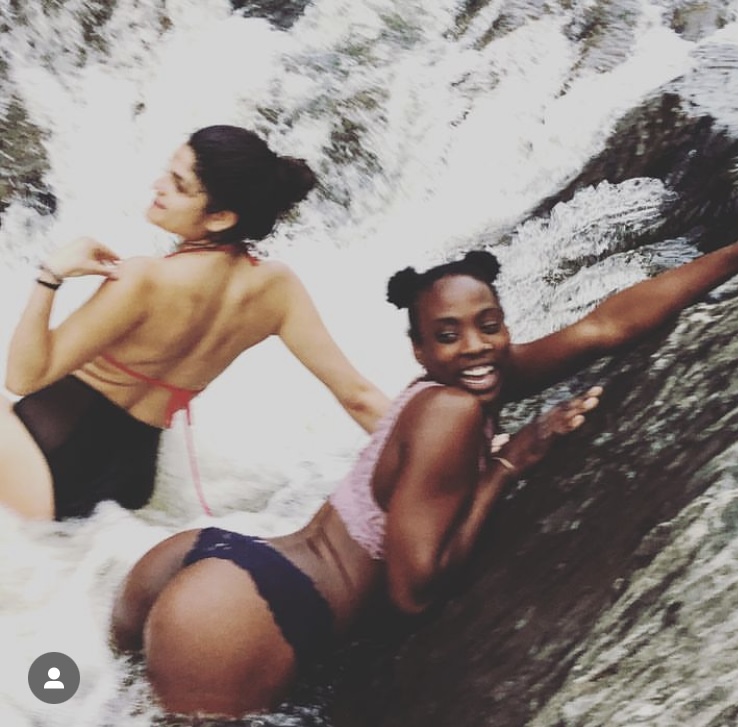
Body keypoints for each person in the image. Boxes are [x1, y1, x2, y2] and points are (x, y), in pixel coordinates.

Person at [110, 241, 738, 718]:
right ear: (419, 350)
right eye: (448, 334)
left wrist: (731, 256)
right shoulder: (454, 412)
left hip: (211, 566)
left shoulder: (459, 383)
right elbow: (414, 591)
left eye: (489, 324)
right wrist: (508, 465)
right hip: (245, 612)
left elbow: (604, 327)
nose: (476, 346)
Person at [0, 125, 390, 521]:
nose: (158, 186)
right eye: (167, 173)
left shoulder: (143, 279)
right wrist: (422, 461)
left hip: (43, 454)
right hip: (129, 484)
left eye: (178, 185)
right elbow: (358, 396)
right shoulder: (279, 289)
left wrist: (50, 275)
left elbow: (23, 378)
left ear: (220, 217)